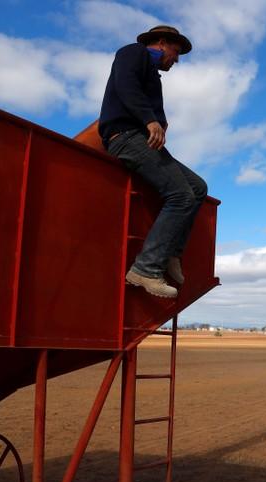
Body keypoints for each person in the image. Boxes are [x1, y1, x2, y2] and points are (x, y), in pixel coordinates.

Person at [99, 25, 208, 298]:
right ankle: (146, 269)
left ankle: (171, 253)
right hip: (124, 135)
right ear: (161, 43)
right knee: (181, 196)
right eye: (176, 52)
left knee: (197, 187)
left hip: (141, 139)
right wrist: (150, 120)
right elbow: (126, 85)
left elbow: (151, 106)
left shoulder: (154, 77)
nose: (177, 59)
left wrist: (160, 121)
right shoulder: (132, 53)